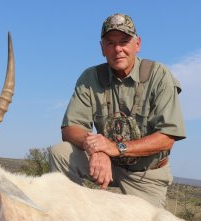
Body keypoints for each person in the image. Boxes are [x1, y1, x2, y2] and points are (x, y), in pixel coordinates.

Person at [49, 13, 186, 207]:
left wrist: (115, 148)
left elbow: (167, 138)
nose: (118, 49)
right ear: (102, 48)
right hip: (107, 165)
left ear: (137, 44)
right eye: (110, 43)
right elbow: (70, 128)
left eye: (124, 41)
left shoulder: (159, 75)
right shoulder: (90, 77)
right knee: (60, 152)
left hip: (145, 175)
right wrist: (97, 149)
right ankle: (71, 218)